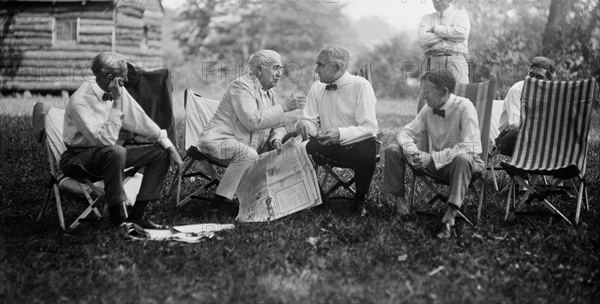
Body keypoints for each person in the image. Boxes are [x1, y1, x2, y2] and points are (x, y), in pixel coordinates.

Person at [60, 52, 183, 229]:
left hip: (110, 156)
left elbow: (140, 120)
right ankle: (117, 221)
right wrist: (117, 101)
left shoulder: (115, 88)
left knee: (160, 153)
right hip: (78, 159)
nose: (123, 84)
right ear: (110, 77)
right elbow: (106, 141)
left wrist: (170, 147)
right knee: (116, 151)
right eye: (122, 80)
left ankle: (136, 217)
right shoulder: (81, 101)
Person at [196, 50, 306, 208]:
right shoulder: (241, 86)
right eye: (276, 68)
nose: (280, 73)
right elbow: (252, 121)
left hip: (253, 147)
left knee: (295, 141)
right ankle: (217, 204)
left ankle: (296, 198)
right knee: (247, 154)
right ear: (260, 69)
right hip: (220, 141)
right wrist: (284, 107)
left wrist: (276, 138)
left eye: (281, 68)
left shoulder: (270, 93)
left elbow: (279, 125)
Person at [382, 69, 483, 238]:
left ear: (444, 92)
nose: (424, 97)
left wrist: (433, 157)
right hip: (435, 164)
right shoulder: (429, 108)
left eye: (428, 92)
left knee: (463, 158)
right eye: (423, 92)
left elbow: (471, 146)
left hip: (465, 166)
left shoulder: (464, 107)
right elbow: (404, 133)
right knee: (392, 150)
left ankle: (449, 219)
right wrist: (413, 152)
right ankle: (401, 208)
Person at [296, 45, 379, 216]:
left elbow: (370, 128)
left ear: (336, 67)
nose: (316, 69)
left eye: (320, 65)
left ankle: (360, 201)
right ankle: (317, 197)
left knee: (368, 147)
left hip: (354, 147)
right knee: (293, 141)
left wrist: (340, 133)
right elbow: (310, 119)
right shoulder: (317, 87)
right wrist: (304, 123)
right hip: (326, 146)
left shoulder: (361, 86)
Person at [495, 56, 555, 156]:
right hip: (508, 138)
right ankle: (520, 167)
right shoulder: (517, 90)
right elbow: (514, 125)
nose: (533, 79)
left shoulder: (552, 94)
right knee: (520, 134)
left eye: (539, 77)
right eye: (531, 75)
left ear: (548, 80)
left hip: (538, 138)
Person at [418, 0, 471, 85]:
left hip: (455, 61)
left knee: (460, 94)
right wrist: (450, 33)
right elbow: (422, 40)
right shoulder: (426, 19)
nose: (437, 0)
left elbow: (462, 34)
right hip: (432, 61)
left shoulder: (460, 15)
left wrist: (436, 29)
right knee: (429, 96)